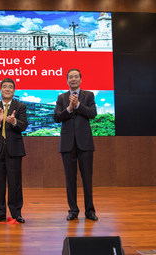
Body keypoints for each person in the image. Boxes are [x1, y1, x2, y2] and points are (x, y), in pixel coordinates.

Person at [54, 68, 98, 221]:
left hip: (85, 143)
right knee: (70, 178)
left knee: (87, 178)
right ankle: (73, 210)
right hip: (67, 144)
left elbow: (93, 114)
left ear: (80, 79)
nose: (73, 79)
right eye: (70, 77)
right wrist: (69, 108)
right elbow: (57, 117)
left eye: (76, 77)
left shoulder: (88, 95)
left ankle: (90, 210)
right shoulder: (61, 97)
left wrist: (78, 105)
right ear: (67, 80)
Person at [0, 78, 28, 223]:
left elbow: (24, 126)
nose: (8, 89)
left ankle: (16, 214)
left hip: (14, 150)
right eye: (5, 87)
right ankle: (0, 213)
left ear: (14, 90)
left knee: (15, 183)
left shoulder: (20, 106)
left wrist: (14, 121)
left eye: (10, 87)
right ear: (0, 90)